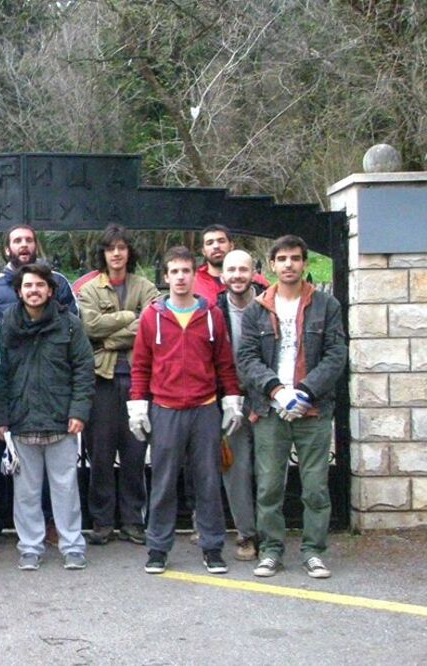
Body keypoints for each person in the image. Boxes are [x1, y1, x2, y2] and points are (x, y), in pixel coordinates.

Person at [237, 235, 346, 579]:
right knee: (269, 485)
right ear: (271, 264)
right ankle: (271, 550)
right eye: (282, 258)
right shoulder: (257, 308)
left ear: (304, 263)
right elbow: (247, 358)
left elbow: (335, 354)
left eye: (295, 258)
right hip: (270, 410)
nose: (288, 264)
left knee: (315, 486)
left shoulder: (326, 306)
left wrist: (305, 392)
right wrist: (277, 391)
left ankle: (314, 551)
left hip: (312, 411)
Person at [129, 246, 243, 576]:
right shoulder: (152, 317)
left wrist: (232, 400)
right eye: (174, 272)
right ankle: (158, 548)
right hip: (165, 409)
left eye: (186, 271)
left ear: (195, 275)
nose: (180, 277)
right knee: (163, 482)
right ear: (165, 277)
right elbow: (141, 366)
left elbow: (224, 363)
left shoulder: (212, 316)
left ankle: (212, 547)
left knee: (208, 481)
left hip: (204, 409)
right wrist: (138, 407)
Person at [0, 224, 77, 543]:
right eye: (17, 241)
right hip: (8, 391)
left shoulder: (59, 283)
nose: (23, 245)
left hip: (52, 396)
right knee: (4, 467)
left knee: (52, 475)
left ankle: (51, 527)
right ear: (7, 248)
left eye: (28, 240)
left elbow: (76, 335)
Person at [0, 263, 94, 571]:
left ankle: (72, 545)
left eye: (39, 285)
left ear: (50, 290)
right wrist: (2, 418)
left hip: (62, 420)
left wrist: (79, 411)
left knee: (65, 488)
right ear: (19, 291)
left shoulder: (70, 325)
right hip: (22, 421)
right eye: (27, 286)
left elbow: (84, 369)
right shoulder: (7, 325)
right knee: (26, 491)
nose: (33, 291)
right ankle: (30, 547)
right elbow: (0, 374)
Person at [77, 225, 160, 546]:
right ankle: (101, 521)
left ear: (129, 252)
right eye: (111, 248)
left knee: (135, 452)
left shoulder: (145, 285)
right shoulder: (89, 289)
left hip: (139, 379)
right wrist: (130, 316)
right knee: (99, 453)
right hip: (103, 381)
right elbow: (89, 326)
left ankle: (132, 521)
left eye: (122, 247)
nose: (116, 253)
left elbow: (152, 324)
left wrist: (110, 338)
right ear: (103, 252)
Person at [216, 250, 265, 561]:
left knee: (269, 470)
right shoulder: (214, 310)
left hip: (267, 397)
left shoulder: (268, 305)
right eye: (231, 269)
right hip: (228, 399)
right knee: (236, 470)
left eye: (243, 269)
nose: (237, 275)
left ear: (254, 273)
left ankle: (270, 534)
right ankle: (246, 534)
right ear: (223, 275)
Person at [194, 224, 268, 306]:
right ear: (203, 251)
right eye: (210, 243)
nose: (216, 246)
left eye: (221, 241)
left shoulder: (255, 279)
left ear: (231, 246)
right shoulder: (193, 281)